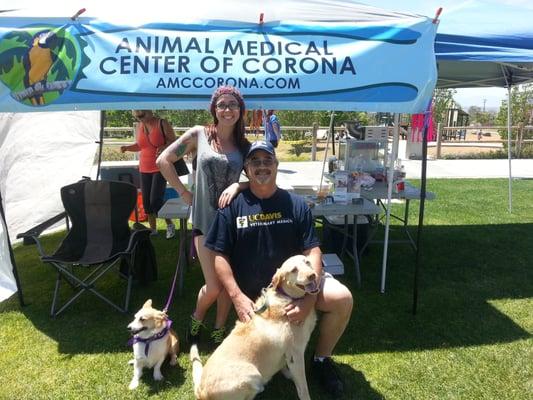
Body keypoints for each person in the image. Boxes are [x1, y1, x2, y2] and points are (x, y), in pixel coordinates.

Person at [204, 140, 353, 397]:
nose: (262, 167)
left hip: (300, 284)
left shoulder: (294, 204)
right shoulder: (231, 207)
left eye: (267, 161)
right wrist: (237, 297)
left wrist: (311, 295)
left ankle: (320, 361)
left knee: (342, 298)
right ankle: (278, 361)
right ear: (246, 169)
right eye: (255, 162)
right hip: (260, 297)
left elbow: (313, 250)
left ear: (276, 165)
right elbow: (219, 256)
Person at [157, 86, 250, 345]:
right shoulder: (199, 134)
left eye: (233, 104)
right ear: (214, 109)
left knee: (228, 283)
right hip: (204, 222)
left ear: (240, 110)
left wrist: (238, 185)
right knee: (214, 285)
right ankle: (196, 318)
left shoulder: (244, 145)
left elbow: (260, 176)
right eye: (222, 104)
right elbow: (163, 160)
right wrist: (183, 193)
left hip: (232, 224)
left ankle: (219, 328)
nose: (227, 109)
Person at [120, 110, 176, 239]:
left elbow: (174, 141)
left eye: (142, 115)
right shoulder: (140, 126)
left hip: (160, 166)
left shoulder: (162, 123)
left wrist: (164, 146)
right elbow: (140, 145)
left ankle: (169, 225)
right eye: (137, 116)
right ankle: (153, 229)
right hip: (144, 168)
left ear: (150, 112)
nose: (140, 119)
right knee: (146, 202)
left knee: (155, 200)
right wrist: (127, 148)